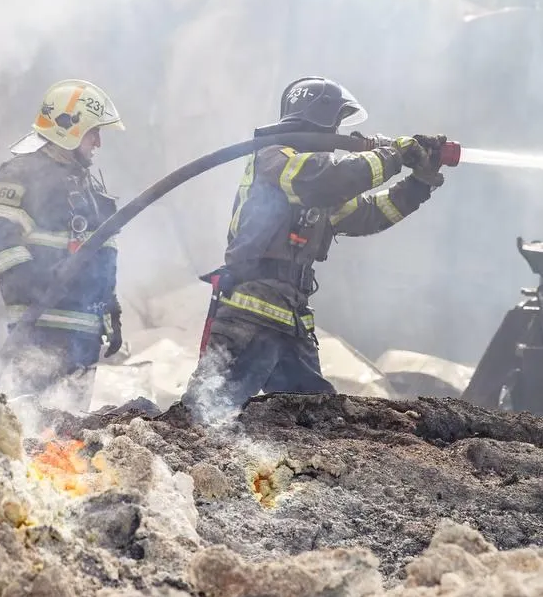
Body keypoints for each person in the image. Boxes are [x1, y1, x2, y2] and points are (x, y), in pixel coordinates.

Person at [181, 75, 450, 419]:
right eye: (336, 123)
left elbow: (369, 215)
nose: (339, 135)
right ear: (318, 119)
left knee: (317, 418)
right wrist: (393, 155)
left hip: (291, 320)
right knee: (203, 415)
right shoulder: (274, 158)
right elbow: (330, 178)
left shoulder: (313, 188)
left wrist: (419, 183)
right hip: (250, 314)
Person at [0, 79, 125, 410]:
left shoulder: (92, 191)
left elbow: (101, 257)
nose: (98, 142)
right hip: (36, 333)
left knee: (64, 442)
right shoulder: (22, 173)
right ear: (68, 130)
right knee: (25, 426)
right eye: (92, 132)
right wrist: (35, 282)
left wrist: (109, 308)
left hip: (82, 340)